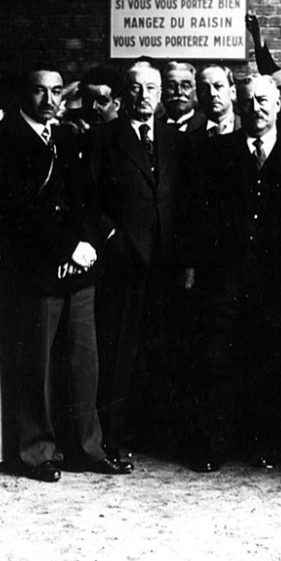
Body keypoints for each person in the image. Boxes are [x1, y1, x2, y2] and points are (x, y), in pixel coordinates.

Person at [0, 68, 132, 481]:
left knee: (84, 362)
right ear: (22, 94)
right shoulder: (4, 139)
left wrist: (84, 246)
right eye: (38, 91)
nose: (49, 100)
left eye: (55, 91)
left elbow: (86, 197)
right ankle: (37, 452)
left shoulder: (65, 137)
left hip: (75, 266)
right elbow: (19, 211)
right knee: (37, 363)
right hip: (36, 269)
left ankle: (85, 448)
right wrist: (66, 248)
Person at [178, 74, 281, 470]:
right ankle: (214, 445)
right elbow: (197, 213)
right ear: (237, 106)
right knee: (217, 360)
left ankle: (265, 443)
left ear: (277, 105)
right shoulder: (217, 151)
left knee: (270, 358)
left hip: (278, 279)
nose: (255, 108)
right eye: (247, 101)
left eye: (263, 101)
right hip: (224, 275)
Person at [86, 60, 183, 461]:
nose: (146, 96)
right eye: (138, 88)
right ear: (125, 94)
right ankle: (112, 439)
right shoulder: (103, 138)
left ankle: (153, 437)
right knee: (119, 354)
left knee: (161, 352)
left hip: (165, 264)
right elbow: (89, 203)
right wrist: (114, 240)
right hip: (123, 263)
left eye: (153, 88)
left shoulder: (174, 139)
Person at [194, 62, 238, 138]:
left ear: (233, 92)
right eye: (204, 88)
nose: (212, 93)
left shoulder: (249, 127)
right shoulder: (193, 135)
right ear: (198, 94)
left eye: (218, 86)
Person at [161, 61, 205, 134]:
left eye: (185, 86)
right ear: (162, 90)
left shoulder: (206, 125)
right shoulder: (153, 125)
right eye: (171, 86)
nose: (179, 92)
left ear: (195, 90)